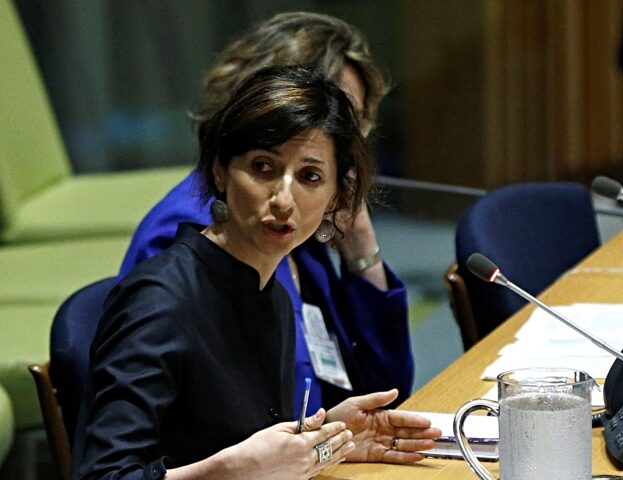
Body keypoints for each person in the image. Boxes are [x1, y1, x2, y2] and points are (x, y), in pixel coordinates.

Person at [72, 66, 441, 479]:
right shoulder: (160, 302)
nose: (284, 199)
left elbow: (252, 446)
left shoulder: (273, 294)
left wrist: (326, 441)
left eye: (310, 176)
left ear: (335, 196)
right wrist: (230, 470)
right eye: (263, 167)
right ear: (220, 170)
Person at [118, 12, 413, 418]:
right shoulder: (195, 232)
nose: (340, 139)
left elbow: (384, 393)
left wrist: (360, 245)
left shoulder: (300, 226)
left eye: (350, 123)